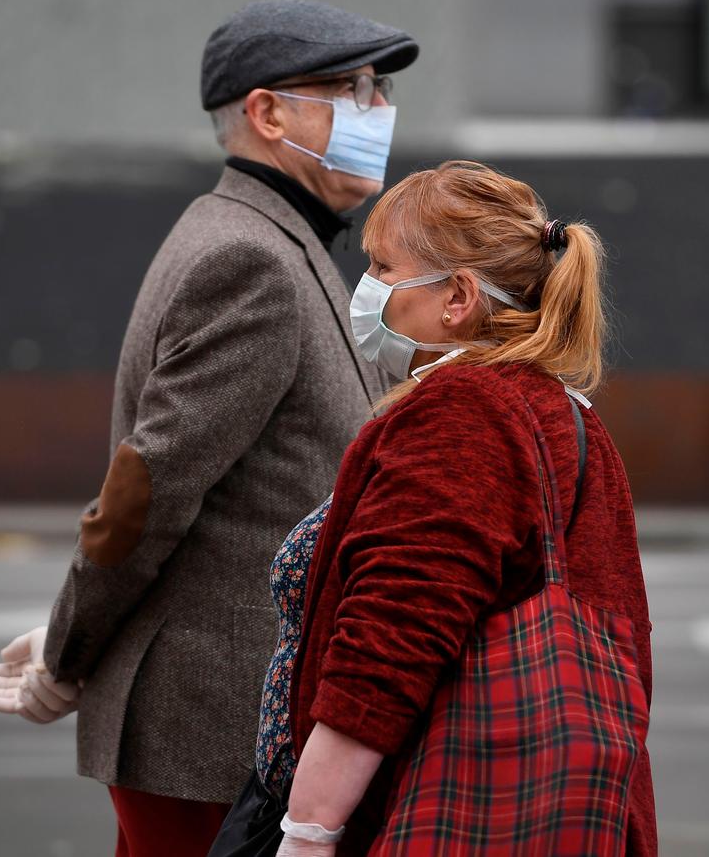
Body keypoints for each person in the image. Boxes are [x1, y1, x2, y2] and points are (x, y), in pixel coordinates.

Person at [0, 0, 419, 857]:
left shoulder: (267, 239)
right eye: (353, 87)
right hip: (213, 734)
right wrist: (67, 653)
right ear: (268, 112)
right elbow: (146, 493)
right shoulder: (249, 258)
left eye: (382, 86)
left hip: (224, 725)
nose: (380, 108)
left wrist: (76, 641)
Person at [237, 160, 656, 856]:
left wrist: (309, 832)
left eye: (383, 266)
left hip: (425, 810)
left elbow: (390, 641)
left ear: (458, 297)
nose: (367, 287)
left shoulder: (462, 413)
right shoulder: (565, 413)